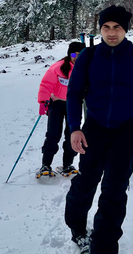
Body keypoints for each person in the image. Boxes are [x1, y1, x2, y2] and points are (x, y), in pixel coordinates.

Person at [64, 5, 133, 254]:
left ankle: (103, 247)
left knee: (115, 191)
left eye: (117, 27)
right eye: (106, 27)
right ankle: (78, 229)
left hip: (126, 131)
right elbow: (73, 94)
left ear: (126, 29)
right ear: (100, 29)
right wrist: (75, 128)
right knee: (86, 183)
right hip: (93, 129)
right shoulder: (88, 56)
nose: (111, 33)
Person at [36, 41, 86, 177]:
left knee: (72, 135)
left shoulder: (86, 68)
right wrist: (43, 101)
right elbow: (46, 84)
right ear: (69, 54)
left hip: (74, 105)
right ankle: (45, 164)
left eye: (80, 54)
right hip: (57, 103)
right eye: (74, 54)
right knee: (53, 134)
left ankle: (67, 165)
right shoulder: (58, 67)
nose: (77, 57)